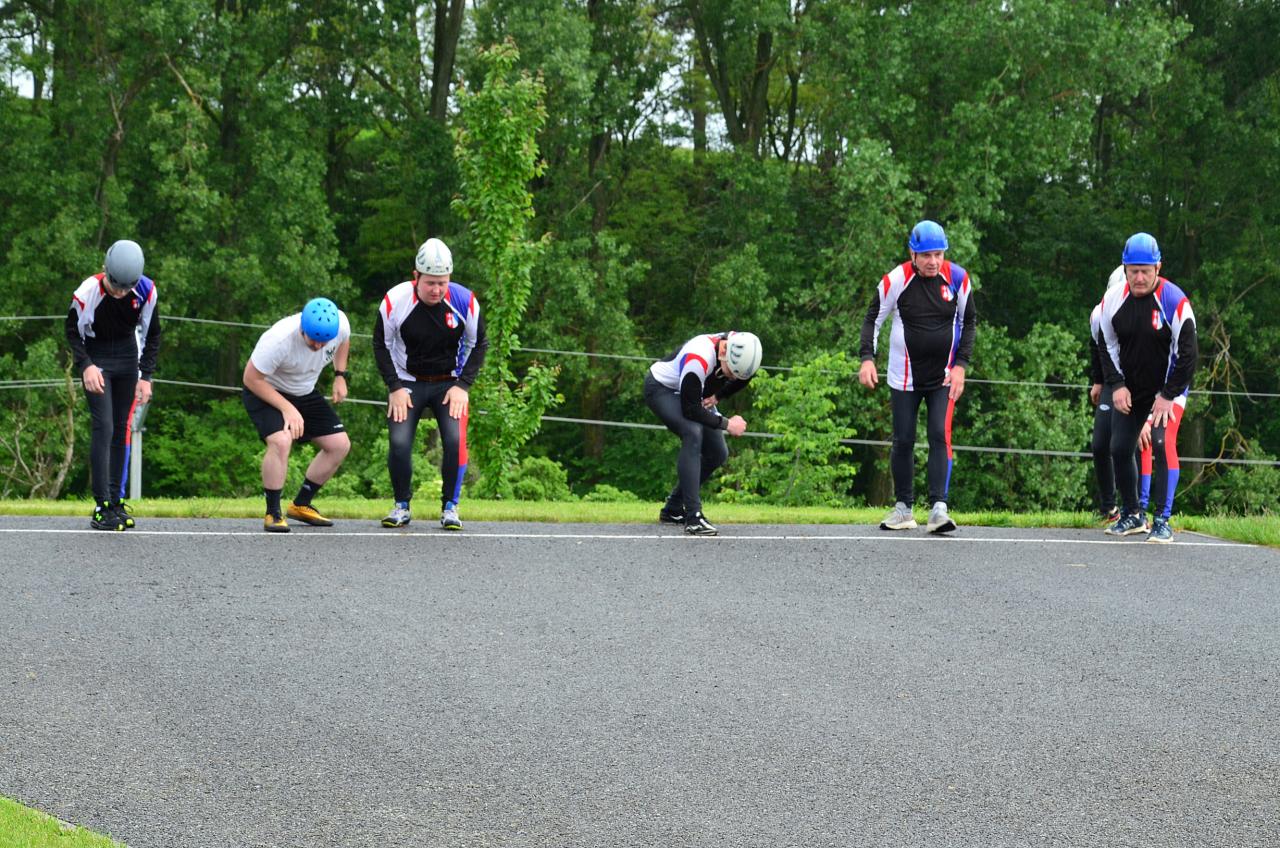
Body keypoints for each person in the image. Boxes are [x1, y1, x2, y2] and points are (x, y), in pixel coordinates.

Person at [859, 220, 975, 534]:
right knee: (903, 439)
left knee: (939, 434)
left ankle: (939, 510)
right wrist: (867, 359)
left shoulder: (958, 279)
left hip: (943, 378)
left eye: (938, 254)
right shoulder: (896, 280)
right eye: (926, 255)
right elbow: (873, 320)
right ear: (912, 254)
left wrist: (961, 366)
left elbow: (969, 322)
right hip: (904, 377)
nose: (933, 261)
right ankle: (904, 509)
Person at [373, 238, 487, 530]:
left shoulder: (465, 301)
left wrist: (463, 385)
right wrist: (394, 387)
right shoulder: (395, 300)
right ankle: (401, 505)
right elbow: (381, 345)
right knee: (399, 442)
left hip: (449, 383)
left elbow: (478, 344)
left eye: (442, 283)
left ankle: (450, 507)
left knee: (454, 441)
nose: (436, 290)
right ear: (416, 277)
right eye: (430, 283)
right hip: (407, 382)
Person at [1097, 233, 1197, 543]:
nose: (1139, 278)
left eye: (1145, 271)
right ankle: (1133, 515)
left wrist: (1167, 396)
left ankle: (1163, 520)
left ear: (1158, 268)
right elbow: (1105, 345)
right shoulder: (1113, 300)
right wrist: (1117, 385)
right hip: (1132, 388)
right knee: (1119, 447)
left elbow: (1188, 354)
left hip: (1169, 388)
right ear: (1124, 269)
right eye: (1133, 271)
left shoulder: (1174, 301)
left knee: (1161, 441)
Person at [66, 239, 162, 531]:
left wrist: (146, 377)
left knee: (122, 428)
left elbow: (152, 334)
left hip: (127, 357)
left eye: (125, 288)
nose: (119, 293)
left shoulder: (146, 290)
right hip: (97, 358)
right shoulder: (87, 292)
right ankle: (101, 506)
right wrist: (85, 365)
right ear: (105, 269)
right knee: (104, 426)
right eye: (115, 286)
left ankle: (116, 502)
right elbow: (72, 331)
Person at [242, 298, 352, 533]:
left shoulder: (340, 325)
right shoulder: (278, 339)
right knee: (281, 441)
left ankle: (301, 505)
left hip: (304, 391)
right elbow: (251, 378)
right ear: (302, 327)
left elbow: (344, 341)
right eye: (313, 339)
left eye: (324, 341)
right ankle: (273, 512)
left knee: (339, 445)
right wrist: (287, 408)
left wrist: (340, 375)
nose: (318, 346)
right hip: (266, 390)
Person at [644, 331, 762, 536]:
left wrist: (718, 395)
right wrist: (727, 424)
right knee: (692, 432)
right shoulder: (697, 359)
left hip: (693, 391)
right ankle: (693, 518)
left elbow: (743, 377)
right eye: (730, 373)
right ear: (723, 352)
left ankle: (672, 509)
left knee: (718, 453)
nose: (730, 378)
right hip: (662, 388)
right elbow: (690, 410)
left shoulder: (743, 351)